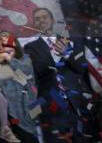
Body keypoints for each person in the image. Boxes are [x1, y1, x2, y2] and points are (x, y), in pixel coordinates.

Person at [23, 7, 97, 142]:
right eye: (37, 19)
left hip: (77, 102)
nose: (41, 20)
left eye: (44, 17)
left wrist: (66, 54)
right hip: (52, 105)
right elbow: (36, 74)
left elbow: (81, 69)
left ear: (52, 20)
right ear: (34, 24)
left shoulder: (69, 40)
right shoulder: (30, 47)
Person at [0, 31, 40, 143]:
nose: (3, 40)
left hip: (25, 111)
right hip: (6, 114)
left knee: (29, 138)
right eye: (0, 39)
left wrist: (9, 58)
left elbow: (26, 75)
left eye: (7, 38)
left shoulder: (26, 59)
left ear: (14, 42)